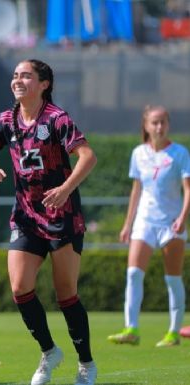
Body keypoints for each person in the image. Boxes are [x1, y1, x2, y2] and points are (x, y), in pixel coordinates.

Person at [0, 59, 98, 385]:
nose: (18, 80)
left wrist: (66, 189)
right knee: (19, 287)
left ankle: (86, 364)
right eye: (15, 75)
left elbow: (88, 156)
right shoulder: (6, 120)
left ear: (43, 84)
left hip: (62, 216)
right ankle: (49, 351)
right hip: (26, 216)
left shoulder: (56, 119)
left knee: (66, 294)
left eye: (26, 75)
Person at [107, 105, 189, 348]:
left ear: (168, 124)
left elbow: (188, 190)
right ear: (146, 126)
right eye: (155, 122)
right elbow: (136, 190)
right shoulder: (138, 153)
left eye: (163, 122)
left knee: (173, 279)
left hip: (172, 223)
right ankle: (131, 328)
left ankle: (173, 332)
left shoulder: (180, 153)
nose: (159, 127)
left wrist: (183, 218)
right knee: (133, 274)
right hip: (144, 222)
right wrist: (127, 224)